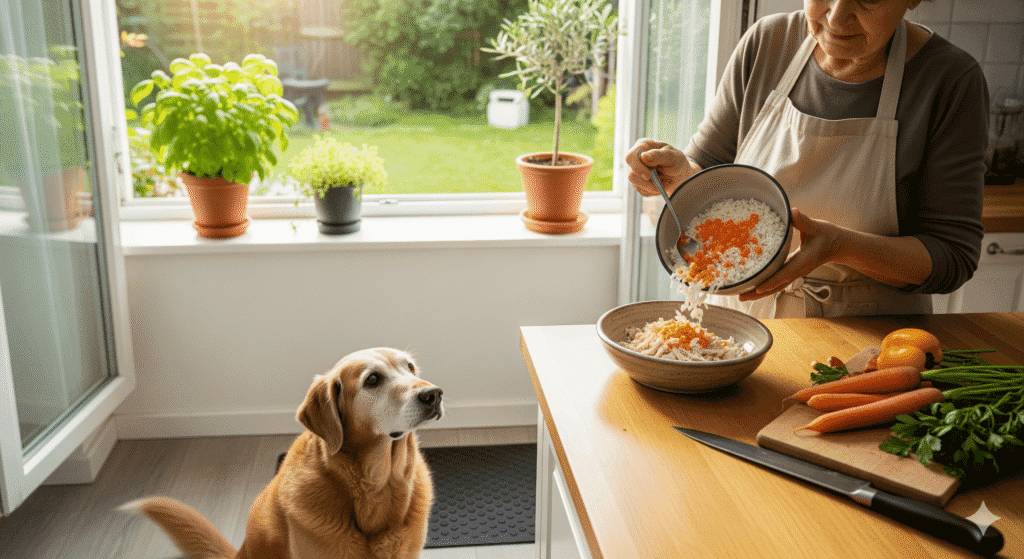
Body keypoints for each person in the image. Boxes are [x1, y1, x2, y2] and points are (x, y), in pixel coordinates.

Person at [626, 0, 989, 318]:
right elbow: (709, 173)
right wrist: (680, 175)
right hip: (747, 327)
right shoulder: (768, 42)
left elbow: (952, 257)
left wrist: (842, 247)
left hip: (870, 349)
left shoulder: (950, 80)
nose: (836, 16)